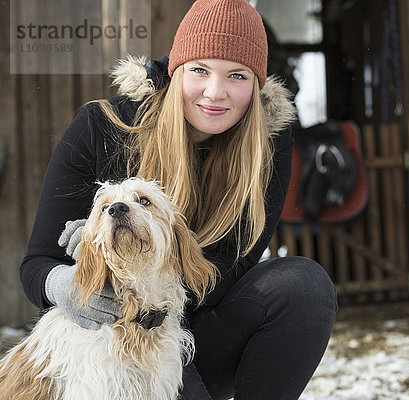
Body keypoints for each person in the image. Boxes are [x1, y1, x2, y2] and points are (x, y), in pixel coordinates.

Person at [19, 0, 338, 399]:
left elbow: (225, 273)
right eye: (200, 70)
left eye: (236, 75)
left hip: (195, 328)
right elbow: (37, 265)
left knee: (304, 286)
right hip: (107, 335)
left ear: (256, 86)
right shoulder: (103, 126)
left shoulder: (268, 145)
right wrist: (70, 281)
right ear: (176, 69)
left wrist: (149, 253)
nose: (215, 92)